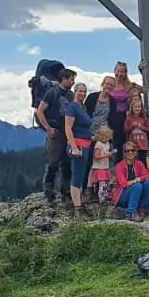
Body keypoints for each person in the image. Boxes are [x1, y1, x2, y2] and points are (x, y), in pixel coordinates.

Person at [34, 67, 77, 204]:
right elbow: (40, 111)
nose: (73, 82)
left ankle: (65, 191)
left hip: (68, 131)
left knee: (67, 162)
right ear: (64, 79)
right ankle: (49, 192)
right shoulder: (51, 93)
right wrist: (48, 128)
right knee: (53, 162)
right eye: (71, 79)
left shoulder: (70, 95)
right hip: (56, 131)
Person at [64, 82, 95, 213]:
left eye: (84, 91)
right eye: (80, 91)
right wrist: (74, 147)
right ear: (75, 92)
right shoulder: (73, 107)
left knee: (82, 174)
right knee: (77, 175)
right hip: (78, 145)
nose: (82, 94)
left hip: (86, 144)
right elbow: (68, 128)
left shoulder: (82, 108)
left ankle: (80, 203)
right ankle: (77, 208)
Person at [111, 142, 149, 221]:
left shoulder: (139, 164)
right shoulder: (119, 166)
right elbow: (123, 184)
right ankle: (131, 213)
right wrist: (135, 182)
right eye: (127, 151)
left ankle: (142, 208)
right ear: (124, 153)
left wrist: (138, 179)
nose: (130, 152)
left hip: (137, 192)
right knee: (137, 186)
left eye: (132, 150)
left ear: (136, 152)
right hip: (123, 195)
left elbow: (146, 175)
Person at [107, 62, 132, 154]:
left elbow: (144, 88)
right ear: (114, 71)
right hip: (110, 116)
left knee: (121, 142)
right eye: (118, 71)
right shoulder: (110, 85)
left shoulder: (129, 86)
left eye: (122, 72)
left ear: (125, 73)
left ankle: (120, 162)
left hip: (123, 117)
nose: (120, 74)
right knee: (110, 140)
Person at [88, 125, 114, 205]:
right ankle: (102, 199)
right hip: (99, 167)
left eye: (108, 137)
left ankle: (104, 197)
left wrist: (110, 156)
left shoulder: (107, 144)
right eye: (106, 137)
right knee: (101, 184)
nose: (107, 138)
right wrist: (107, 155)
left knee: (105, 183)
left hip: (105, 166)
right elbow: (96, 156)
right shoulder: (98, 144)